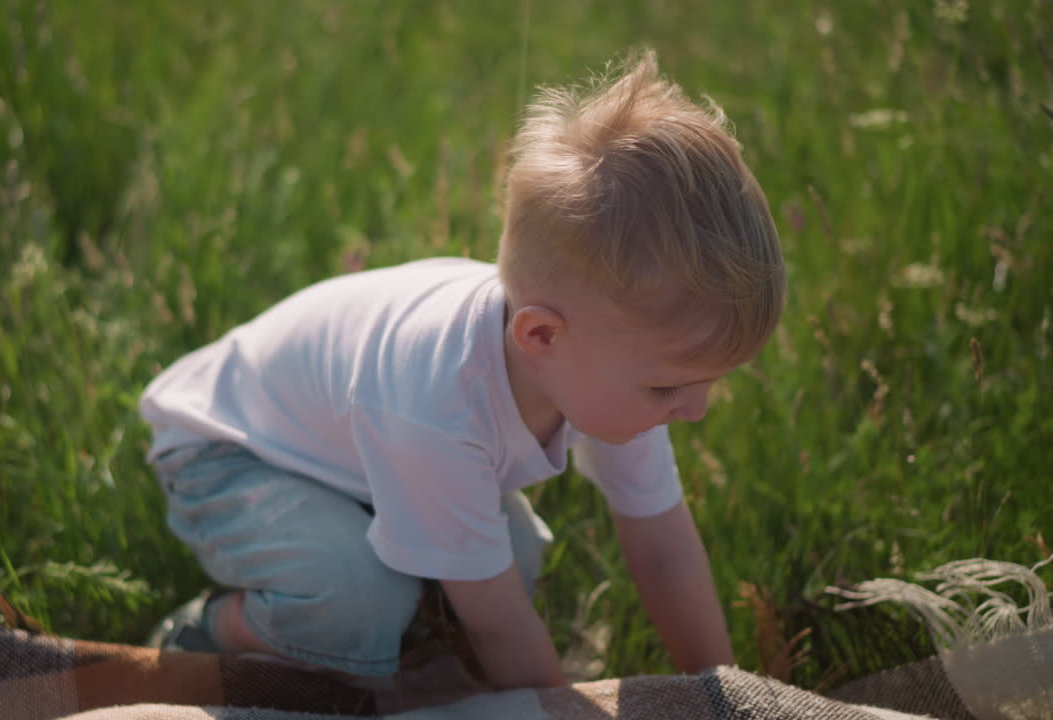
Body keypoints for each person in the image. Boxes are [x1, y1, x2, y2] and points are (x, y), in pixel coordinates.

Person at [139, 50, 785, 691]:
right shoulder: (437, 407)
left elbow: (664, 549)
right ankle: (209, 633)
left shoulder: (609, 351)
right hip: (228, 454)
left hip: (356, 459)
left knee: (516, 560)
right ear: (539, 334)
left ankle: (397, 641)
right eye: (672, 387)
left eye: (708, 381)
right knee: (356, 605)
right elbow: (501, 628)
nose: (696, 408)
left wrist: (720, 695)